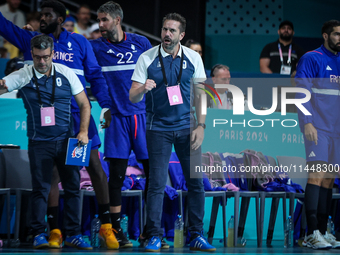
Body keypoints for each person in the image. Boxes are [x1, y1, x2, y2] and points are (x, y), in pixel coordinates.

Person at [0, 0, 117, 249]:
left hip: (78, 118)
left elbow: (95, 76)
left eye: (47, 15)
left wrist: (105, 105)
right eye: (41, 14)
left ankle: (107, 226)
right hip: (51, 121)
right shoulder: (32, 40)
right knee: (51, 176)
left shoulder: (79, 42)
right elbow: (5, 27)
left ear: (60, 19)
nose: (42, 18)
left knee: (93, 167)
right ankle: (55, 231)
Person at [129, 13, 216, 252]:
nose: (167, 34)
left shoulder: (193, 58)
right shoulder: (147, 58)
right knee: (156, 184)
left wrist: (201, 125)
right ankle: (154, 235)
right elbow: (132, 94)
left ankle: (196, 234)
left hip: (187, 128)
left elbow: (201, 95)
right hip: (158, 129)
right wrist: (142, 89)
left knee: (195, 182)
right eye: (164, 29)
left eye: (172, 31)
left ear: (182, 35)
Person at [0, 34, 92, 250]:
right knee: (40, 189)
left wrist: (84, 131)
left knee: (71, 188)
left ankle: (72, 234)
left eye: (46, 57)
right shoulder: (24, 74)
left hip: (66, 142)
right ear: (31, 54)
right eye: (38, 57)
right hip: (38, 142)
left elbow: (85, 105)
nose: (42, 62)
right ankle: (38, 233)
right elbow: (4, 85)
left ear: (53, 54)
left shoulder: (66, 72)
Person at [90, 1, 151, 248]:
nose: (100, 24)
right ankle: (116, 231)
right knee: (115, 178)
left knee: (153, 175)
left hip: (142, 117)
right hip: (116, 120)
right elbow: (64, 45)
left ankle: (150, 231)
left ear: (117, 20)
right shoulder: (94, 47)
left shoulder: (141, 43)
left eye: (104, 19)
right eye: (99, 19)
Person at [295, 19, 340, 250]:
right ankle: (310, 233)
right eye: (336, 34)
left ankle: (323, 231)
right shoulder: (312, 58)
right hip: (318, 128)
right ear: (325, 36)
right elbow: (300, 92)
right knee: (316, 176)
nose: (339, 38)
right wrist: (308, 123)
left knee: (329, 180)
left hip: (337, 132)